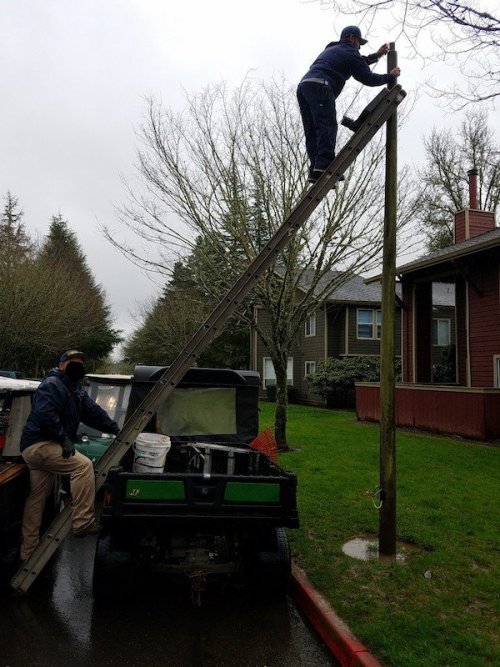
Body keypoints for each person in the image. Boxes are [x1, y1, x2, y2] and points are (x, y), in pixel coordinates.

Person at [19, 350, 120, 562]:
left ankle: (28, 553)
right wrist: (63, 438)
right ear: (62, 364)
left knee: (37, 498)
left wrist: (115, 428)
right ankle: (83, 521)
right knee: (82, 466)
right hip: (41, 444)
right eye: (73, 362)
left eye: (81, 363)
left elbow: (94, 413)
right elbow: (44, 413)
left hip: (42, 447)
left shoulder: (76, 390)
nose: (78, 366)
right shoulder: (53, 384)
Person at [297, 25, 401, 183]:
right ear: (353, 39)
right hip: (321, 85)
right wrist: (389, 77)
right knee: (327, 125)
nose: (359, 47)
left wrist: (377, 55)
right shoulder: (350, 52)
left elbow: (360, 62)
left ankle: (315, 169)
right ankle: (324, 165)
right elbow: (367, 78)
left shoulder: (333, 50)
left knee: (312, 130)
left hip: (304, 86)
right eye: (359, 43)